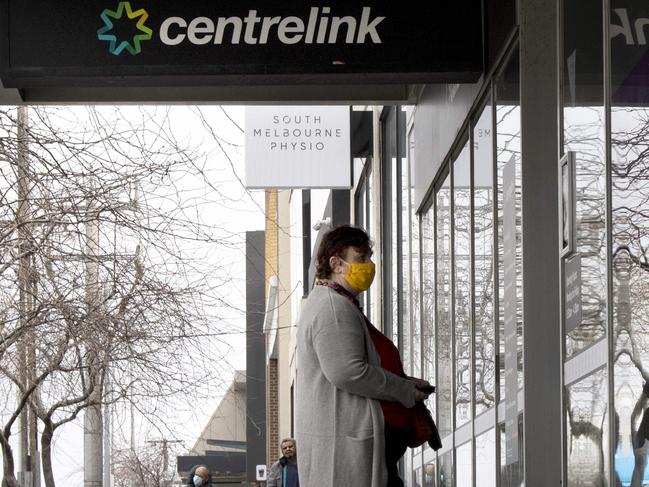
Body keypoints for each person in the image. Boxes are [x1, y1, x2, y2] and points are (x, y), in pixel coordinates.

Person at [296, 225, 432, 487]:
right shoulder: (332, 308)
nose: (369, 265)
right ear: (336, 263)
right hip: (350, 447)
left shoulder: (335, 303)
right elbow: (349, 372)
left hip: (358, 443)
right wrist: (405, 390)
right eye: (361, 258)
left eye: (369, 257)